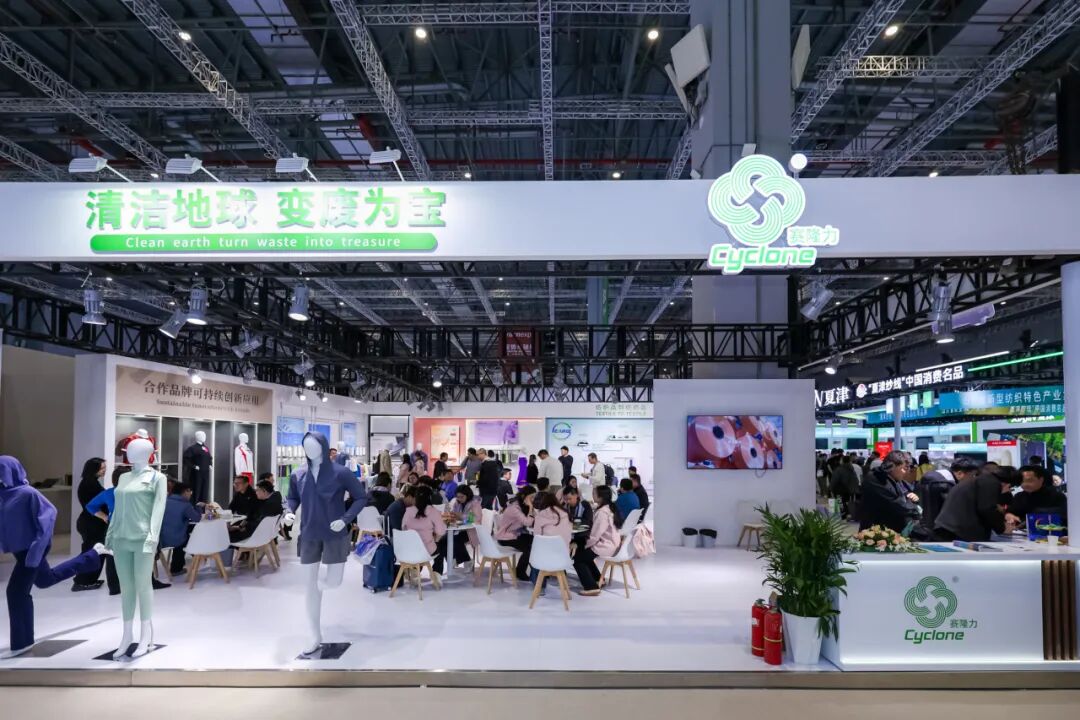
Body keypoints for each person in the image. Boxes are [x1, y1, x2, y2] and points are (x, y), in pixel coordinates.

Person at [934, 465, 1020, 541]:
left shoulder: (982, 480)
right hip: (958, 531)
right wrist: (1002, 528)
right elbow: (987, 509)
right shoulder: (991, 483)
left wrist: (1003, 514)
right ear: (1008, 484)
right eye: (1010, 489)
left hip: (949, 527)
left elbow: (981, 504)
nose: (1008, 491)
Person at [858, 450, 921, 534]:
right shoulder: (876, 478)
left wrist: (911, 496)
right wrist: (916, 509)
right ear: (892, 466)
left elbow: (903, 495)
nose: (905, 472)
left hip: (889, 530)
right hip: (876, 533)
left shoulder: (892, 478)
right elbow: (896, 503)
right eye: (903, 468)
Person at [522, 491, 573, 594]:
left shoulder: (541, 515)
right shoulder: (565, 514)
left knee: (535, 550)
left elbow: (537, 537)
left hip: (546, 557)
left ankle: (539, 585)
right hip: (564, 556)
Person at [574, 486, 621, 596]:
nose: (592, 495)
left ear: (600, 497)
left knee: (578, 558)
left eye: (594, 494)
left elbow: (594, 536)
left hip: (606, 545)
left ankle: (591, 587)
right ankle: (598, 579)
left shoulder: (602, 513)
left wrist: (584, 545)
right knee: (585, 555)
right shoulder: (609, 508)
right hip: (612, 543)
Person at [72, 457, 108, 591]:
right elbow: (90, 506)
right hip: (91, 524)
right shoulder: (89, 484)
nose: (104, 470)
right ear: (93, 469)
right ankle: (82, 582)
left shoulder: (91, 482)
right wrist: (104, 517)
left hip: (92, 523)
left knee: (95, 552)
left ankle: (88, 580)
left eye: (104, 467)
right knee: (93, 553)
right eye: (102, 468)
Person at [916, 458, 974, 536]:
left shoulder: (932, 475)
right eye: (971, 476)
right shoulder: (947, 484)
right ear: (960, 473)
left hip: (922, 527)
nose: (972, 480)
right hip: (938, 531)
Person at [401, 486, 449, 576]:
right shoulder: (433, 511)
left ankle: (415, 571)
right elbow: (441, 531)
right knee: (441, 545)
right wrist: (435, 537)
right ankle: (436, 573)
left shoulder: (408, 511)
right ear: (430, 497)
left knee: (430, 545)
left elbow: (403, 528)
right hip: (426, 550)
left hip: (409, 549)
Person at [160, 482, 202, 575]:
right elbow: (197, 518)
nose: (190, 494)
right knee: (189, 538)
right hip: (176, 539)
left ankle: (191, 559)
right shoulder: (185, 505)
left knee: (185, 535)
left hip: (161, 539)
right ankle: (177, 569)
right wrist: (199, 507)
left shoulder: (165, 501)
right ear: (185, 491)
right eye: (190, 492)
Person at [495, 486, 536, 581]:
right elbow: (527, 522)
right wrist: (531, 507)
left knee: (536, 541)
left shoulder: (520, 506)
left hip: (514, 534)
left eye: (534, 497)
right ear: (523, 496)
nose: (533, 499)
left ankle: (538, 570)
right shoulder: (514, 508)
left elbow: (531, 520)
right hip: (505, 538)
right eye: (531, 497)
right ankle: (520, 572)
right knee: (530, 548)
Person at [227, 475, 260, 541]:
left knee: (229, 537)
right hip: (243, 521)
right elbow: (231, 508)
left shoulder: (254, 494)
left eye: (238, 483)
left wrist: (240, 526)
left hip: (252, 524)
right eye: (235, 483)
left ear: (246, 484)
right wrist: (228, 523)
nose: (235, 485)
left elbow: (252, 514)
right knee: (225, 533)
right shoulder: (238, 494)